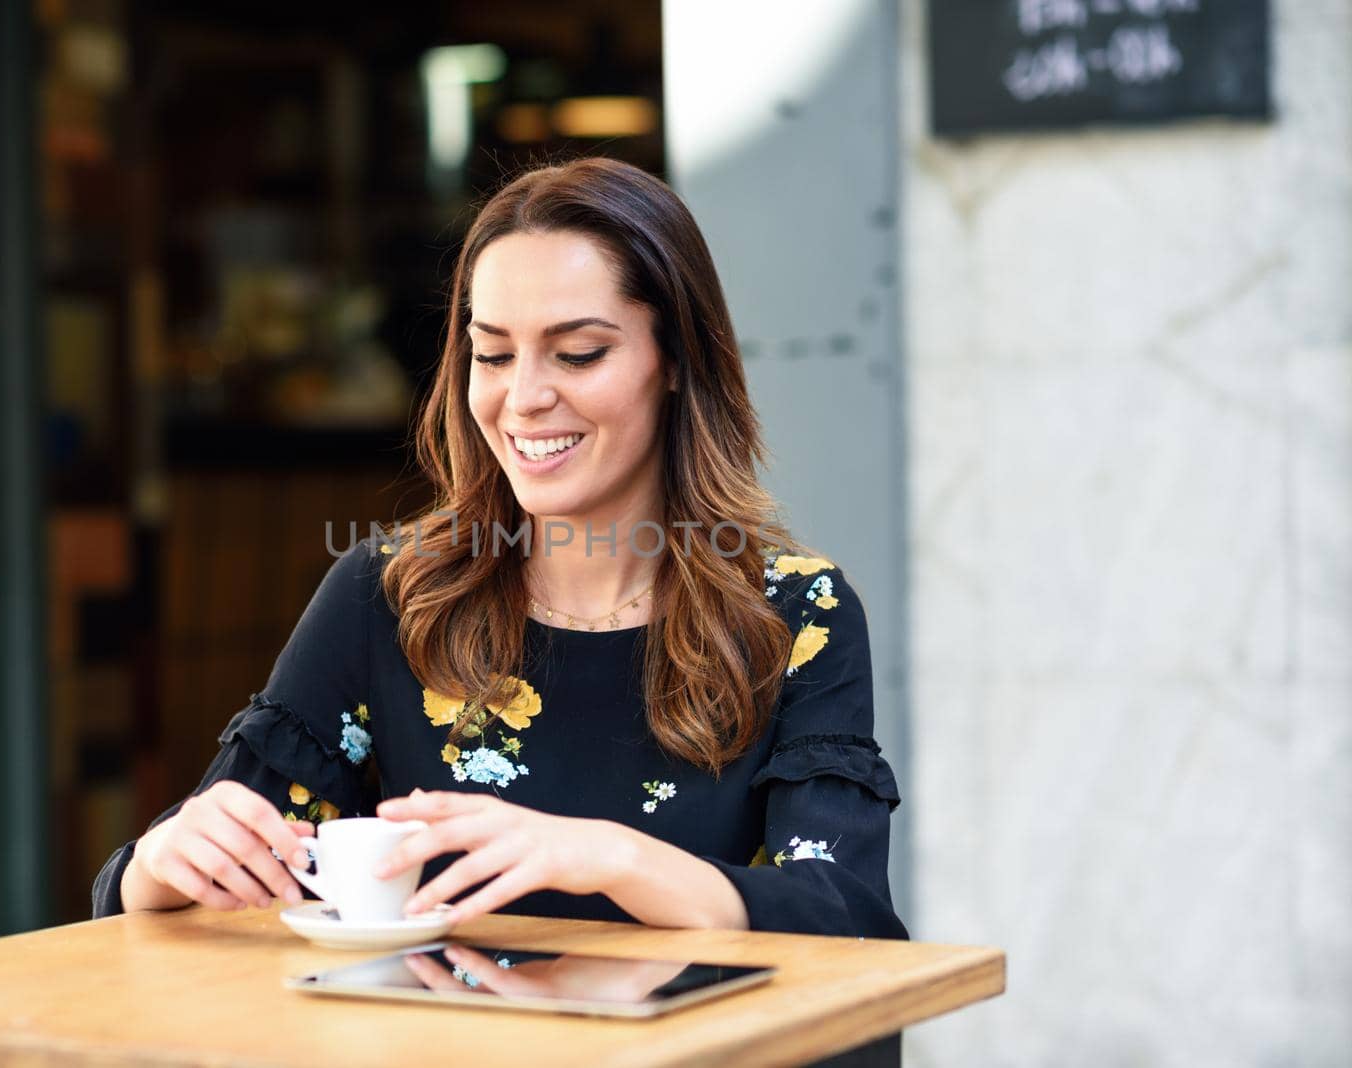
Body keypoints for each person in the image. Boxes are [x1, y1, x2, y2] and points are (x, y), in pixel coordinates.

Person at [92, 157, 907, 939]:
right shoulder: (388, 594)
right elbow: (208, 869)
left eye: (578, 353)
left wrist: (610, 858)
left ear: (676, 362)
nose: (523, 397)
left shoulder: (794, 613)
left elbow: (844, 914)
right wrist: (157, 866)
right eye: (492, 353)